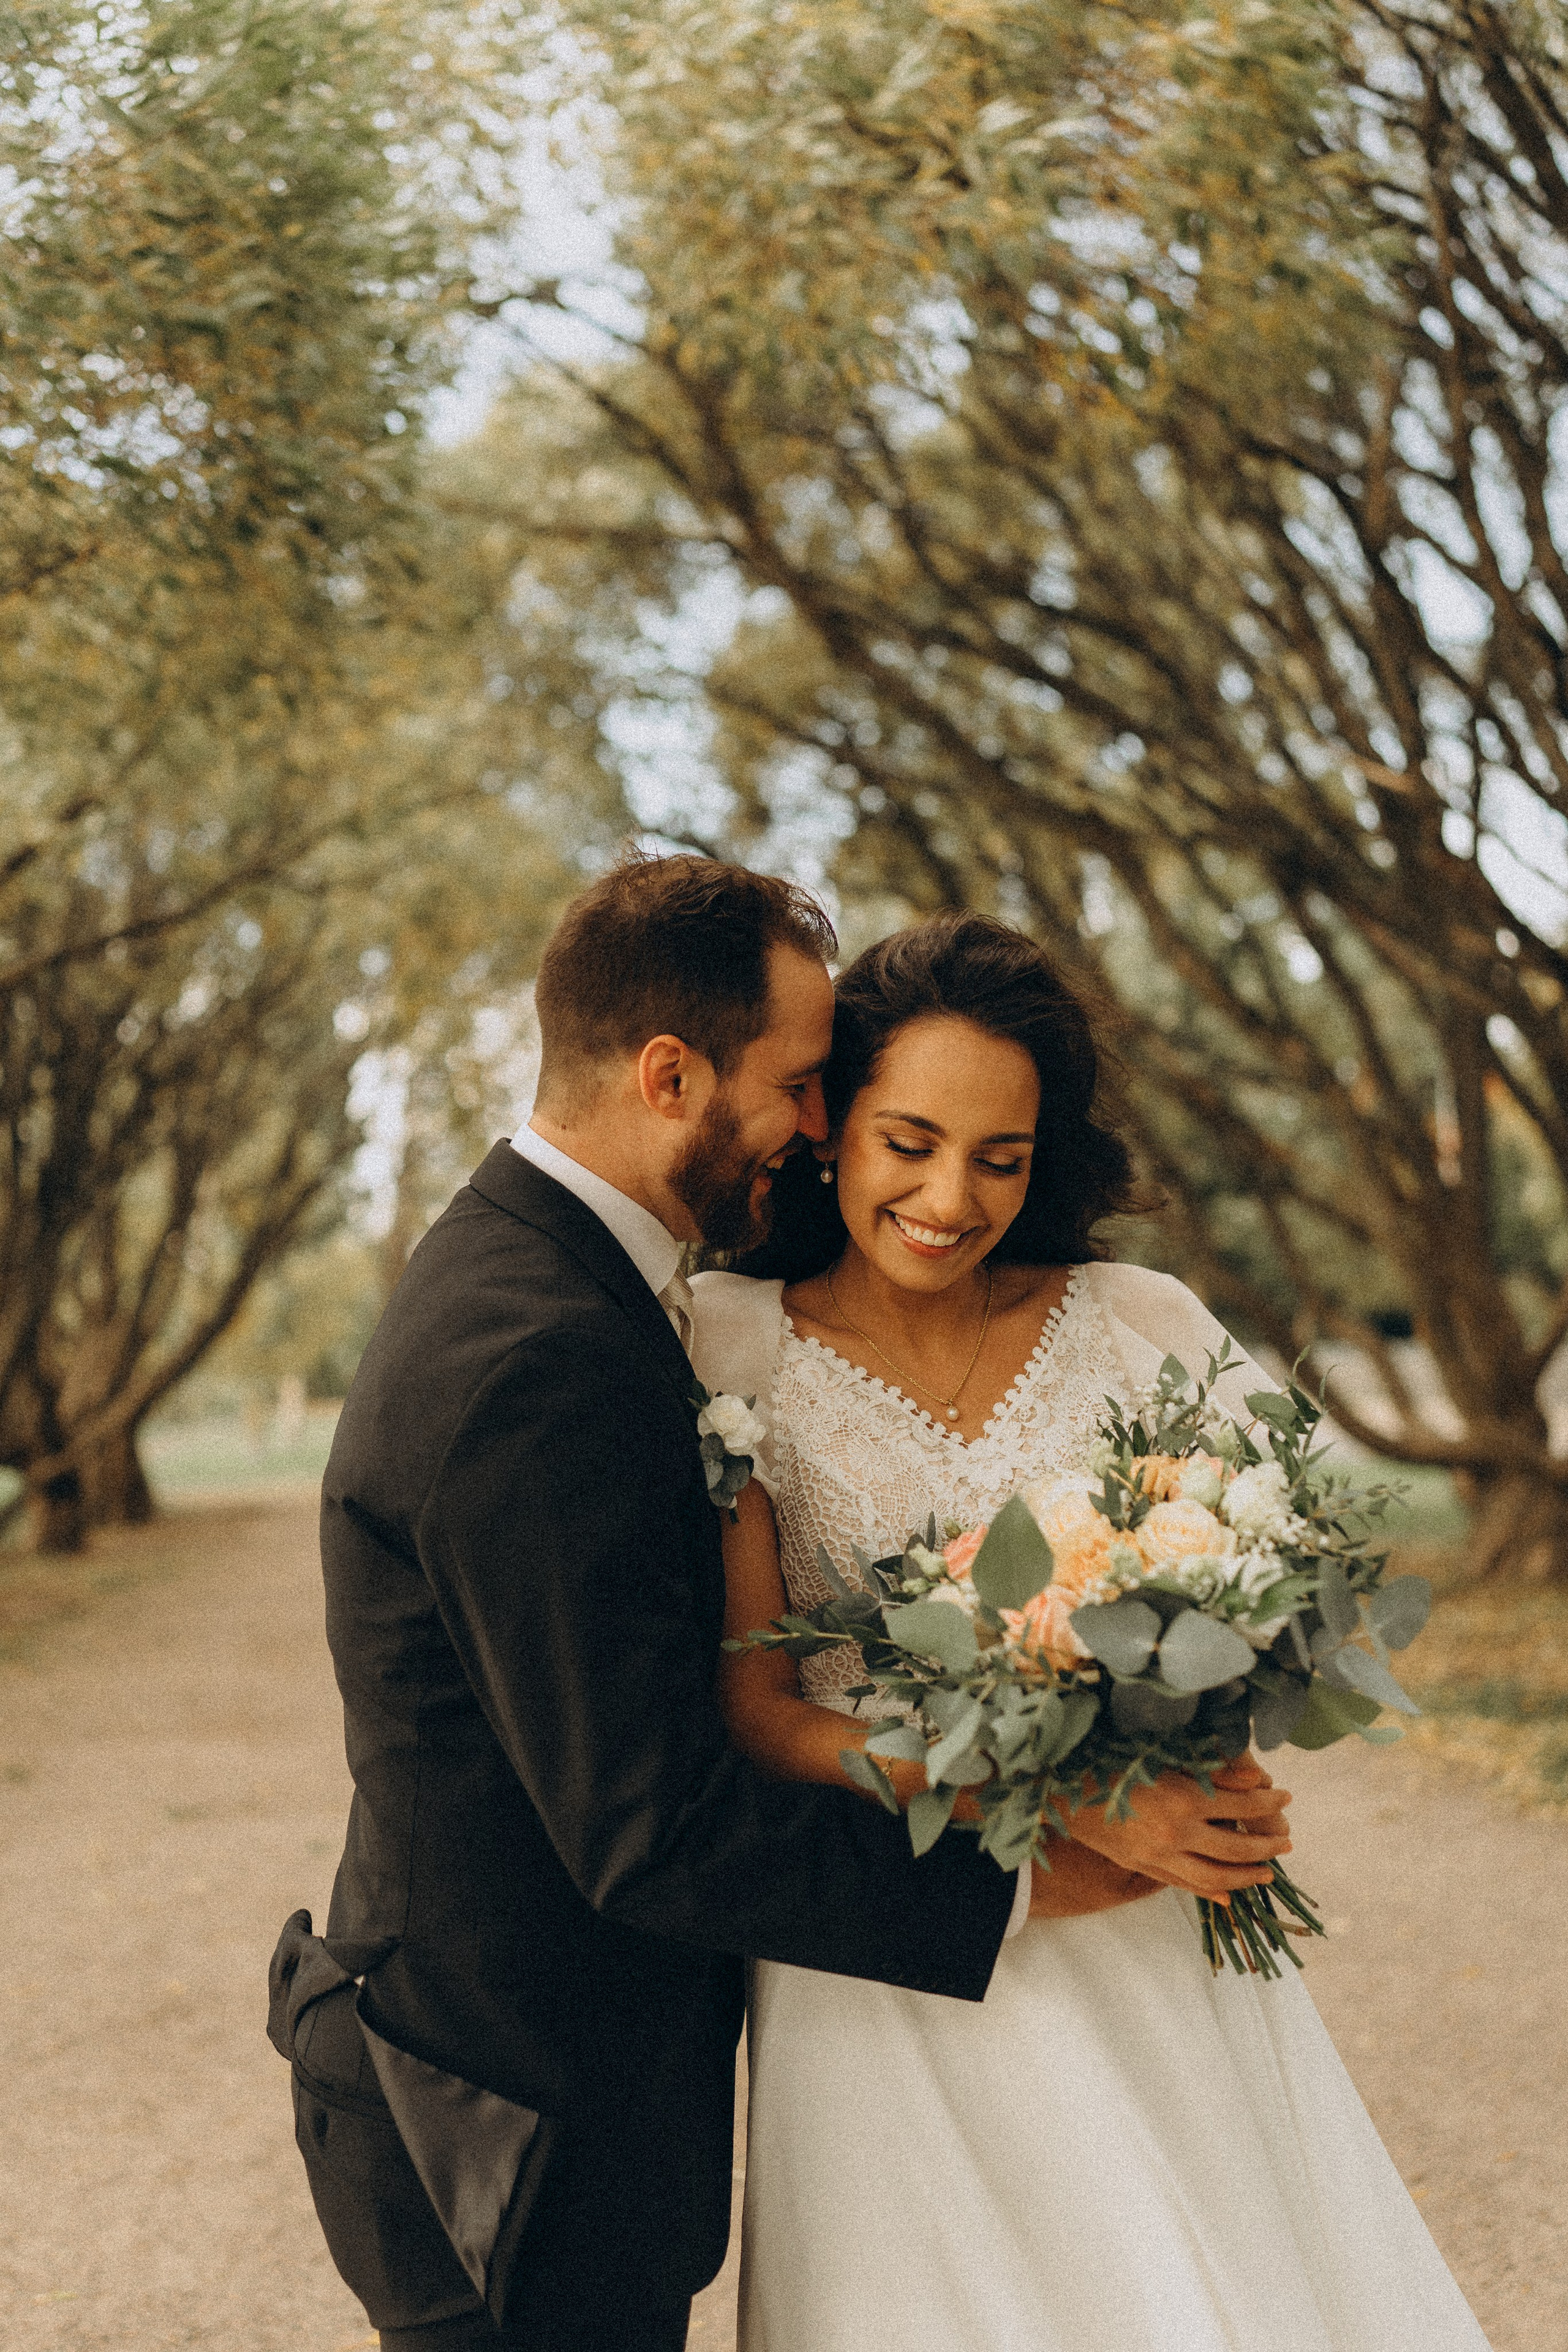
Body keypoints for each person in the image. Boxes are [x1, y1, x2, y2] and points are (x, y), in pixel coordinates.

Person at [270, 858, 1293, 2352]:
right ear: (671, 1076)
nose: (816, 1128)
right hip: (501, 2122)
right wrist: (1039, 1869)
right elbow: (651, 1825)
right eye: (810, 1087)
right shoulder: (537, 1354)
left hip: (573, 2103)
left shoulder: (588, 1293)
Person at [692, 910, 1492, 2352]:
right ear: (829, 1129)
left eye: (1000, 1160)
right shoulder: (730, 1345)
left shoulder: (1136, 1319)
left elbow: (1297, 1564)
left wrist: (1198, 1740)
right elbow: (759, 1712)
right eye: (909, 1142)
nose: (950, 1197)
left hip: (1151, 1941)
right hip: (891, 1963)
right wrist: (1053, 1807)